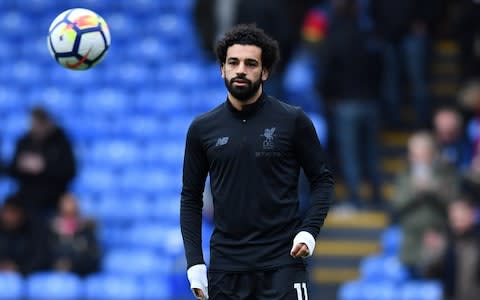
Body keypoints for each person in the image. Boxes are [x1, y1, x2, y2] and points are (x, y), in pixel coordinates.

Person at [180, 24, 334, 300]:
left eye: (250, 63)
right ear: (222, 69)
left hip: (282, 265)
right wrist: (194, 262)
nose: (241, 69)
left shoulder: (292, 121)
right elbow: (190, 198)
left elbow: (322, 180)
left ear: (265, 72)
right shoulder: (202, 129)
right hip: (226, 271)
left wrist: (309, 232)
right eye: (233, 62)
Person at [318, 0, 383, 208]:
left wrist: (328, 95)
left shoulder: (334, 37)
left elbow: (326, 71)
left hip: (346, 103)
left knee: (351, 153)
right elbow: (380, 68)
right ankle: (376, 195)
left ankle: (356, 197)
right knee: (371, 151)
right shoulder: (368, 36)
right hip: (370, 101)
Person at [391, 131, 459, 275]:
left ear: (432, 153)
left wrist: (435, 190)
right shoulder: (404, 174)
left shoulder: (446, 172)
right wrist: (415, 192)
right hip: (411, 242)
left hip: (438, 240)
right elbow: (397, 204)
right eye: (413, 153)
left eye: (421, 153)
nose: (416, 158)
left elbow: (455, 204)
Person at [7, 107, 76, 217]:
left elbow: (70, 171)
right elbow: (12, 169)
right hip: (27, 197)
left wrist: (43, 166)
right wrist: (23, 166)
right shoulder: (24, 142)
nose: (37, 128)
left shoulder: (61, 143)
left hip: (54, 197)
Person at [48, 193, 101, 276]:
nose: (69, 206)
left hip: (80, 275)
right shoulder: (51, 230)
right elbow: (44, 254)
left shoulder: (87, 230)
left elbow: (93, 258)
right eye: (65, 203)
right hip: (54, 273)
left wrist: (71, 265)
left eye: (72, 202)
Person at [0, 193, 50, 275]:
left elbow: (40, 258)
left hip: (26, 275)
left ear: (22, 213)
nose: (8, 216)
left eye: (13, 212)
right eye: (6, 211)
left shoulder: (34, 231)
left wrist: (18, 268)